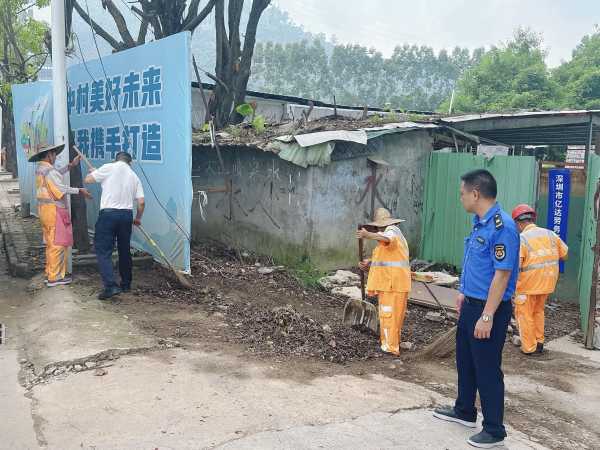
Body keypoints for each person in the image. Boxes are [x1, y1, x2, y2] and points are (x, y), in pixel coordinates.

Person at [433, 169, 520, 448]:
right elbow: (476, 264)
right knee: (466, 361)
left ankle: (494, 430)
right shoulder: (479, 222)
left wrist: (487, 315)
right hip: (471, 303)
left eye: (462, 194)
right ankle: (464, 411)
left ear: (475, 193)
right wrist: (463, 292)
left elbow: (502, 275)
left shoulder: (502, 226)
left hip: (489, 309)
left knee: (487, 369)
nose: (460, 198)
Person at [84, 151, 145, 300]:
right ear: (130, 163)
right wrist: (137, 218)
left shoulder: (108, 167)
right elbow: (141, 202)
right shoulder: (134, 176)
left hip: (108, 215)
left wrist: (95, 172)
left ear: (116, 160)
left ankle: (110, 286)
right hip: (126, 216)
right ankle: (126, 284)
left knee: (103, 250)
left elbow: (88, 180)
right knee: (125, 250)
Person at [29, 143, 92, 287]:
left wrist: (70, 166)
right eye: (54, 154)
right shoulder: (49, 170)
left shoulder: (42, 168)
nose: (56, 157)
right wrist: (80, 190)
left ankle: (50, 273)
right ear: (49, 154)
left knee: (51, 243)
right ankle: (54, 277)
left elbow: (56, 175)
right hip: (54, 210)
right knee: (58, 244)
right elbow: (60, 187)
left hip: (45, 211)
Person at [511, 204, 568, 355]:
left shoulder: (522, 239)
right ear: (532, 219)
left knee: (524, 314)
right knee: (538, 312)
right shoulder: (550, 234)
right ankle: (539, 343)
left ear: (519, 222)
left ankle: (529, 347)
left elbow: (516, 264)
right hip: (547, 283)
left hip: (528, 285)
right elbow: (565, 254)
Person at [357, 208, 411, 356]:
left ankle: (390, 347)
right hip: (391, 283)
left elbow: (388, 238)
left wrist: (368, 235)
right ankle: (390, 344)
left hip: (393, 284)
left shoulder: (392, 231)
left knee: (389, 316)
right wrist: (369, 263)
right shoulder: (388, 236)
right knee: (391, 317)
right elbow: (386, 260)